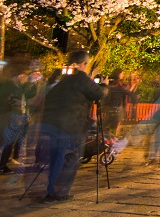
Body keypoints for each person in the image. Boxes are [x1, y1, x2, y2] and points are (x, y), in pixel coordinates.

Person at [37, 50, 108, 202]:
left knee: (56, 158)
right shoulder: (82, 79)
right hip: (67, 125)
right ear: (84, 63)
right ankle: (60, 192)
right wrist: (104, 85)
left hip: (50, 123)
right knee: (71, 158)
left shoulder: (64, 80)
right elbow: (99, 94)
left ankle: (50, 190)